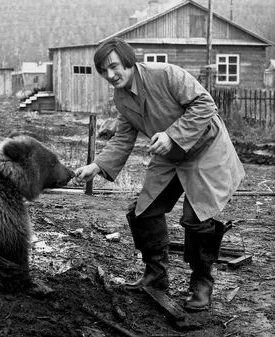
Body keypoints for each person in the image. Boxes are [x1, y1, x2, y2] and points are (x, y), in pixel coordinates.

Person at [75, 37, 245, 312]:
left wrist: (172, 135)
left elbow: (205, 104)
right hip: (170, 156)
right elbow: (123, 138)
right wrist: (97, 166)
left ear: (129, 61)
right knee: (144, 211)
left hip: (205, 150)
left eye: (114, 67)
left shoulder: (166, 75)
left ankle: (202, 283)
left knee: (197, 217)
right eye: (103, 71)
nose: (110, 75)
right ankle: (157, 275)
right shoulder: (121, 98)